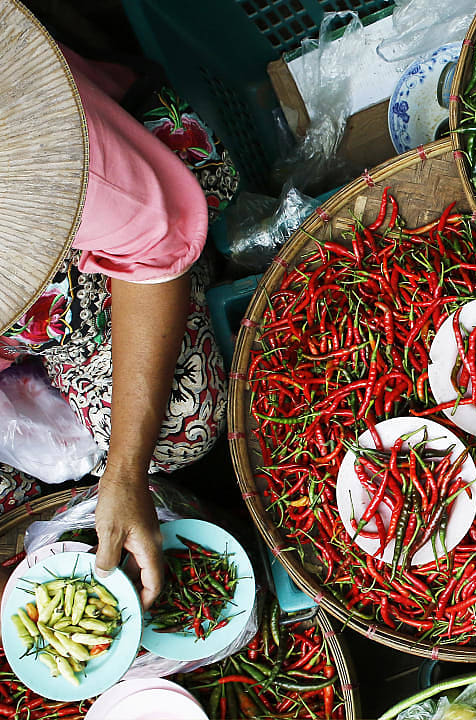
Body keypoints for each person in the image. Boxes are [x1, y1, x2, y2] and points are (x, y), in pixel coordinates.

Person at [0, 1, 235, 607]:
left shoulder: (38, 152)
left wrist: (125, 471)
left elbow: (152, 248)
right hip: (21, 323)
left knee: (182, 424)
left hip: (97, 247)